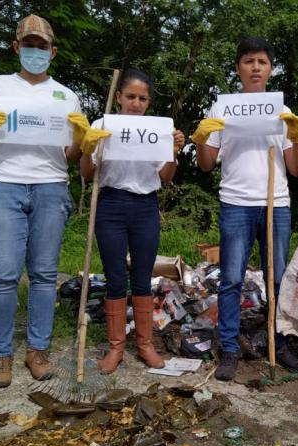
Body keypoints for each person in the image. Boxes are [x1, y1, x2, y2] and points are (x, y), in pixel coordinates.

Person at [0, 14, 89, 388]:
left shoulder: (67, 96)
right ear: (17, 47)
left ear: (53, 51)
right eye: (29, 45)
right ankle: (0, 354)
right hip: (3, 184)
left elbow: (70, 156)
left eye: (42, 46)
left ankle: (37, 350)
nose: (36, 51)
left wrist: (82, 142)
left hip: (51, 187)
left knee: (45, 274)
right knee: (3, 273)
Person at [191, 37, 298, 381]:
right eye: (248, 61)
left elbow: (297, 169)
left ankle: (279, 343)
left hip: (276, 204)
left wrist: (295, 136)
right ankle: (229, 348)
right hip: (236, 203)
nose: (255, 67)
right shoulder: (222, 109)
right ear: (238, 68)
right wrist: (200, 140)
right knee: (230, 279)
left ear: (271, 69)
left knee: (278, 278)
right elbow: (206, 165)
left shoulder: (283, 111)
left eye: (262, 62)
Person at [78, 69, 185, 373]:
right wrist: (87, 148)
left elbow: (165, 177)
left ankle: (145, 344)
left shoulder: (158, 130)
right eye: (131, 96)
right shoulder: (102, 126)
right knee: (114, 277)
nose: (136, 103)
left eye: (142, 98)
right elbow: (86, 172)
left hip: (145, 206)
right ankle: (116, 347)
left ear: (148, 102)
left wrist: (173, 152)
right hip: (110, 203)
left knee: (142, 277)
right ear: (119, 97)